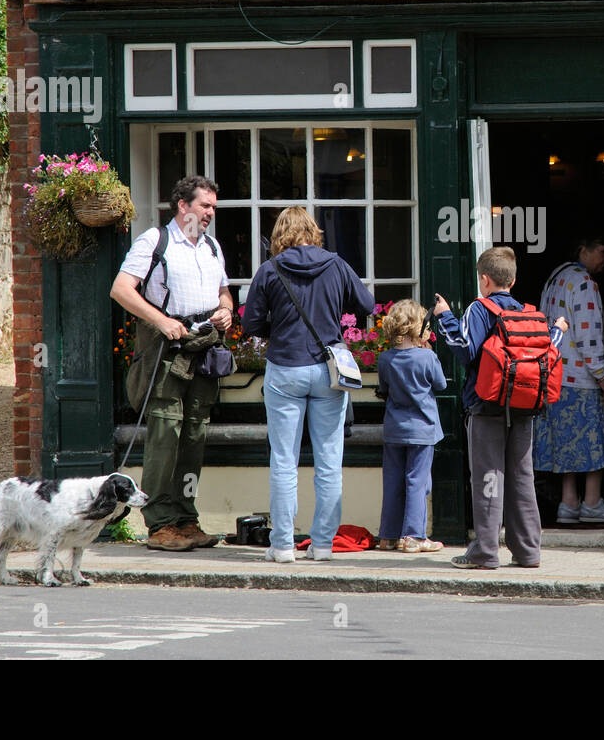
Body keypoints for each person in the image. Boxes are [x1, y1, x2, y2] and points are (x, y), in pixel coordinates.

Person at [241, 207, 374, 563]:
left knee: (284, 461)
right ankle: (324, 545)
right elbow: (367, 303)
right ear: (313, 231)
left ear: (280, 234)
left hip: (285, 368)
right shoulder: (336, 264)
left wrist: (281, 331)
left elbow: (251, 323)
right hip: (328, 369)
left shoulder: (270, 270)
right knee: (329, 462)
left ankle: (283, 545)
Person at [109, 175, 232, 552]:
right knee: (165, 436)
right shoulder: (155, 240)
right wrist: (161, 320)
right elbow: (121, 289)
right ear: (183, 206)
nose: (211, 212)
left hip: (203, 351)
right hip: (166, 351)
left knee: (195, 435)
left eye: (213, 206)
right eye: (205, 205)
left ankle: (185, 516)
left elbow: (224, 292)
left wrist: (226, 310)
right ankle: (160, 523)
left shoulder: (211, 246)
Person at [434, 246, 567, 570]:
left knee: (489, 478)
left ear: (485, 280)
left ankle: (485, 551)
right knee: (522, 477)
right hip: (524, 406)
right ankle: (527, 552)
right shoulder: (526, 312)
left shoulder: (480, 309)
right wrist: (559, 331)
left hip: (487, 405)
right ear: (514, 279)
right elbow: (548, 350)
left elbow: (464, 349)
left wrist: (444, 317)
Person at [534, 236, 604, 525]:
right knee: (592, 442)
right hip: (580, 378)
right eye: (603, 250)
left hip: (554, 375)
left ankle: (569, 503)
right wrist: (603, 377)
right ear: (582, 249)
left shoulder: (556, 276)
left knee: (565, 444)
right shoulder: (584, 282)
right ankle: (591, 502)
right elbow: (589, 335)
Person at [375, 299, 446, 553]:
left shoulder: (385, 359)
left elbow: (383, 389)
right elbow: (441, 385)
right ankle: (415, 536)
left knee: (393, 481)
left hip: (394, 429)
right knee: (417, 481)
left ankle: (388, 536)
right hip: (422, 429)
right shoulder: (427, 356)